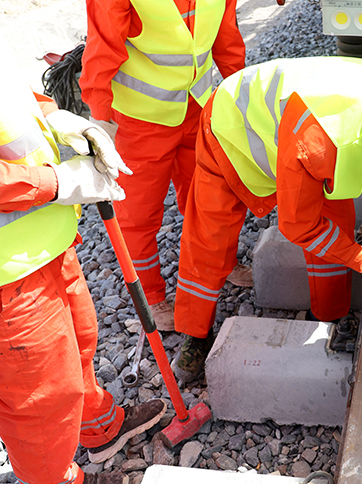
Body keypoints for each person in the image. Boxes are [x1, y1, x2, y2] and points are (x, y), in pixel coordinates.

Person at [0, 0, 166, 484]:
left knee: (77, 342)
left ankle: (97, 425)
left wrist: (56, 117)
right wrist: (58, 182)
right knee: (37, 389)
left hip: (37, 238)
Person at [173, 56, 362, 381]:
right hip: (232, 130)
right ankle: (194, 335)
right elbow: (299, 225)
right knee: (210, 238)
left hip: (306, 133)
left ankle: (326, 317)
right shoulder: (315, 143)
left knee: (335, 232)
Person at [80, 0, 247, 331]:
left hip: (197, 106)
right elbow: (103, 46)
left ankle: (221, 265)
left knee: (211, 198)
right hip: (140, 118)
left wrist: (240, 96)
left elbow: (227, 39)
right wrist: (100, 118)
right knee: (138, 216)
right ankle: (152, 298)